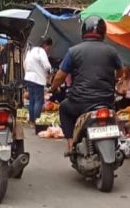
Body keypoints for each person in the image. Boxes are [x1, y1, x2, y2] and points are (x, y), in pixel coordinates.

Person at [50, 16, 124, 153]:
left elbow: (60, 76)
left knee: (64, 109)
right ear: (103, 32)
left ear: (83, 32)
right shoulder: (112, 51)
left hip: (80, 102)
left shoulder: (73, 51)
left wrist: (53, 88)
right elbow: (120, 73)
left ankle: (71, 144)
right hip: (106, 101)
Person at [24, 38, 54, 128]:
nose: (48, 50)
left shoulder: (30, 51)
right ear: (45, 45)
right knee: (38, 101)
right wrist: (50, 71)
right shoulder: (41, 51)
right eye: (49, 47)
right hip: (37, 79)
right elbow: (47, 65)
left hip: (29, 78)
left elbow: (25, 64)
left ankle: (31, 121)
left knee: (32, 100)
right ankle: (37, 122)